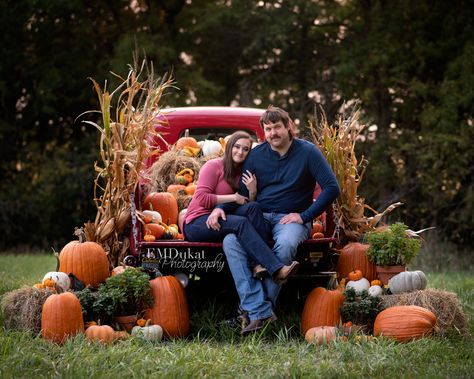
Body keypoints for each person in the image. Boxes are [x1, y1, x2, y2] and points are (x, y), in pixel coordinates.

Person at [208, 106, 340, 335]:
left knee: (287, 243)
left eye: (277, 127)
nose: (273, 133)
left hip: (290, 218)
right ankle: (261, 311)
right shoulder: (257, 155)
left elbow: (331, 188)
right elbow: (242, 193)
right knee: (231, 241)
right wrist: (219, 209)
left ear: (288, 126)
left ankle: (252, 313)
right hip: (258, 216)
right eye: (268, 129)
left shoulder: (308, 152)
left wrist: (305, 215)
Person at [183, 131, 300, 283]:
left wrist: (252, 190)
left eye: (246, 149)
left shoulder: (243, 173)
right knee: (240, 223)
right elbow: (201, 198)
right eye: (237, 147)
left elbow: (244, 204)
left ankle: (258, 265)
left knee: (254, 207)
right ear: (230, 146)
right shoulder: (213, 166)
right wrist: (233, 197)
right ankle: (277, 269)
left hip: (220, 217)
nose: (240, 152)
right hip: (197, 222)